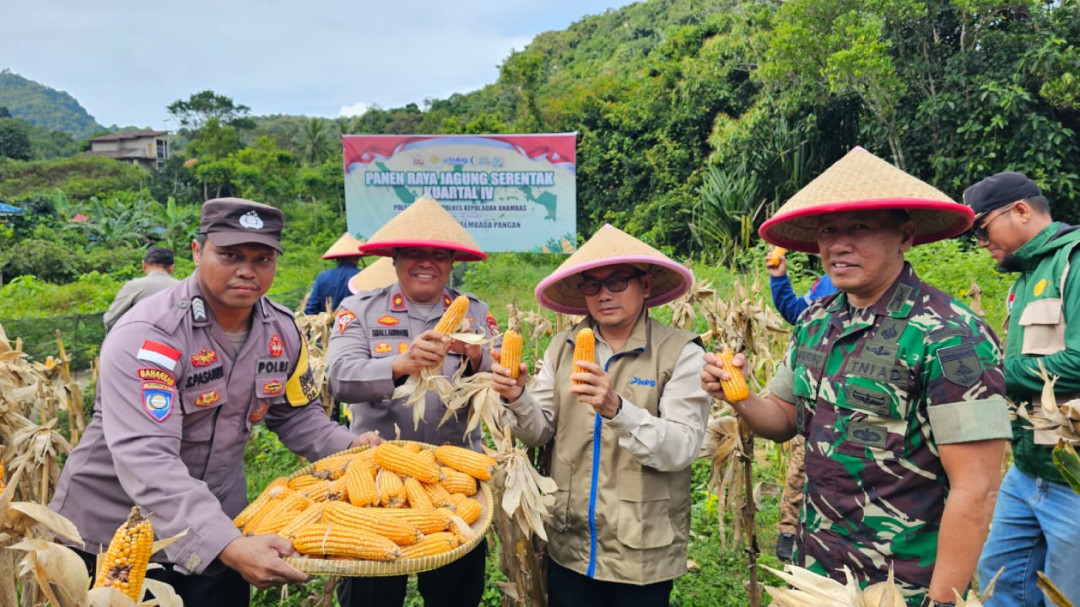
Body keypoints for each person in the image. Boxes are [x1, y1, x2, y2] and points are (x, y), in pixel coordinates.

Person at [702, 148, 1011, 606]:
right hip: (817, 572)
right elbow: (782, 419)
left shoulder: (950, 336)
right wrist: (739, 395)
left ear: (905, 235)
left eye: (859, 228)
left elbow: (977, 488)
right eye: (828, 231)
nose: (838, 245)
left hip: (901, 582)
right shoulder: (816, 321)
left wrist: (943, 600)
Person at [50, 198, 380, 607]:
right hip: (115, 535)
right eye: (230, 255)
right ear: (196, 251)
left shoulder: (282, 332)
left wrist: (349, 447)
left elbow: (296, 414)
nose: (247, 270)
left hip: (220, 524)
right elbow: (147, 456)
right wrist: (226, 542)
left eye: (262, 258)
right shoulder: (150, 336)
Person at [490, 224, 711, 607]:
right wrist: (517, 398)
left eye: (618, 281)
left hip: (641, 548)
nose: (604, 294)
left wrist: (617, 409)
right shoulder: (563, 348)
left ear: (645, 286)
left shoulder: (680, 353)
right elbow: (540, 431)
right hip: (570, 542)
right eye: (592, 285)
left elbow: (682, 447)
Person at [326, 197, 498, 607]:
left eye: (438, 255)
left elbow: (501, 377)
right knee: (372, 597)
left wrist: (476, 357)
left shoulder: (475, 312)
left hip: (453, 481)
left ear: (452, 262)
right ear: (395, 259)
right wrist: (398, 365)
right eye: (415, 254)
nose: (427, 263)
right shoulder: (360, 311)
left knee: (455, 595)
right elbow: (339, 378)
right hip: (379, 477)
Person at [961, 171, 1080, 605]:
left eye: (982, 227)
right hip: (1028, 468)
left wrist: (992, 374)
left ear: (1022, 210)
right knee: (1001, 584)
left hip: (1073, 478)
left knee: (1066, 596)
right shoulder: (1025, 278)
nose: (979, 242)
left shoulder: (1075, 262)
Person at [766, 250, 838, 561]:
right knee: (801, 463)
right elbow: (796, 312)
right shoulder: (823, 285)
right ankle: (788, 529)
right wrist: (779, 278)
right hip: (815, 398)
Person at [103, 245, 180, 331]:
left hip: (139, 340)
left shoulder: (134, 286)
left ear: (144, 265)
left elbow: (110, 320)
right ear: (172, 267)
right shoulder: (182, 287)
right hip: (175, 342)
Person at [303, 232, 364, 315]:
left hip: (328, 327)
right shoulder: (363, 276)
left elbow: (311, 310)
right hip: (355, 326)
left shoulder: (322, 277)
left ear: (337, 259)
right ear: (356, 257)